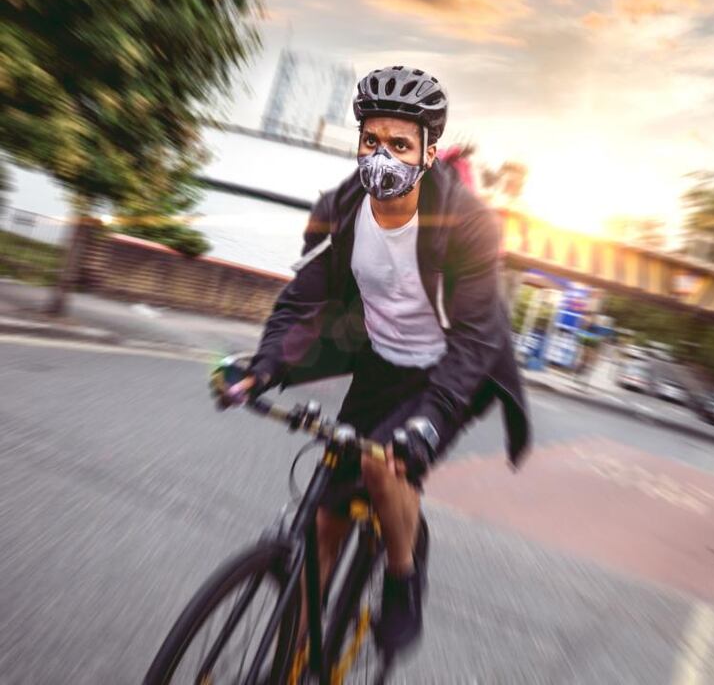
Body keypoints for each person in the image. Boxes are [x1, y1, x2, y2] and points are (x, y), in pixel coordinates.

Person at [214, 65, 531, 655]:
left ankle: (404, 576)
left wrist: (432, 418)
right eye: (371, 141)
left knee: (387, 465)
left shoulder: (468, 224)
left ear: (429, 152)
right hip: (384, 364)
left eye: (400, 144)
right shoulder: (342, 207)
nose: (381, 156)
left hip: (454, 373)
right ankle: (294, 662)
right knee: (324, 524)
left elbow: (475, 338)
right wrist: (260, 368)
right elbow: (303, 299)